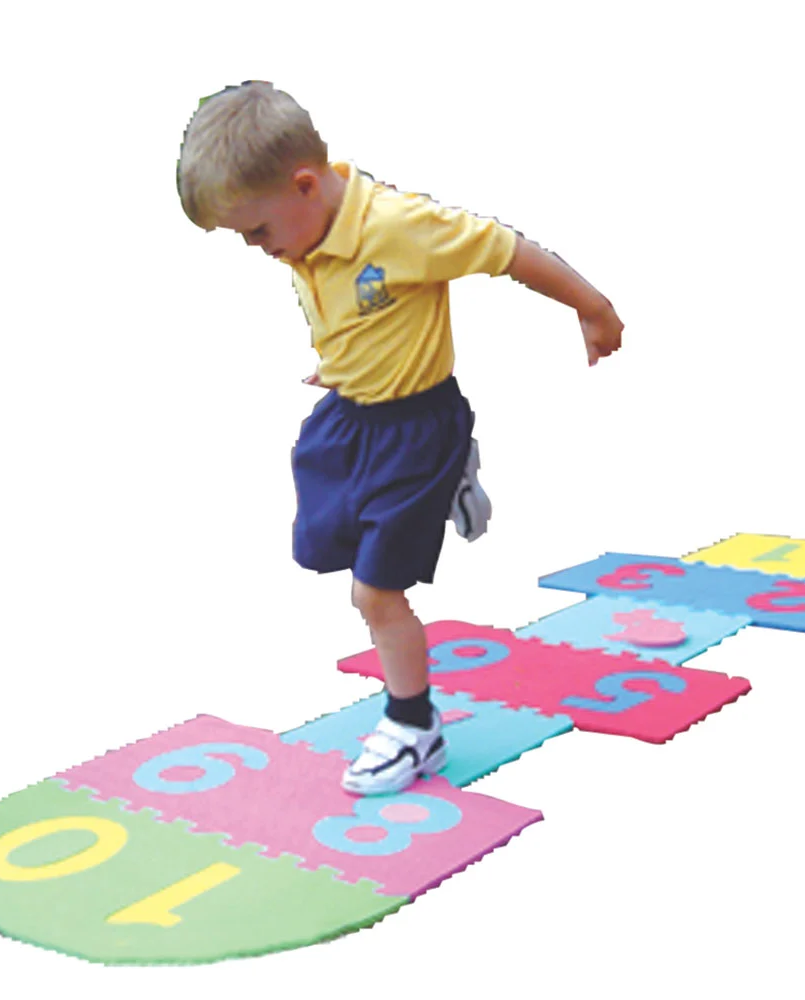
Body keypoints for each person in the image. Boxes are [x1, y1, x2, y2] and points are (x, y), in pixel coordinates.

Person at [177, 80, 624, 795]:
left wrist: (592, 307)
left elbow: (507, 251)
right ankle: (448, 484)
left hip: (417, 428)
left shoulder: (400, 227)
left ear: (303, 185)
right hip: (349, 418)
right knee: (323, 543)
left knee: (375, 593)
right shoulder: (305, 231)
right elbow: (355, 308)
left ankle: (415, 726)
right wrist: (343, 364)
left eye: (256, 232)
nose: (259, 249)